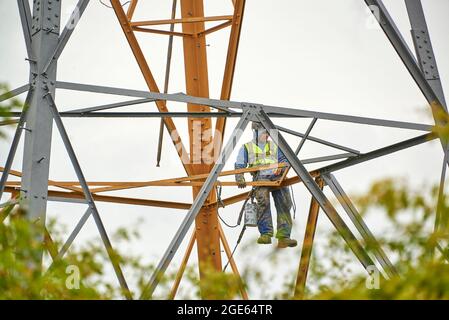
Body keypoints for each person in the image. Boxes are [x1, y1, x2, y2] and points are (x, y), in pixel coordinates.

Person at [234, 122, 297, 248]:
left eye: (268, 133)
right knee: (263, 202)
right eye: (264, 133)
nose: (267, 135)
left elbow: (284, 160)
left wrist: (282, 169)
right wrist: (239, 177)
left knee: (284, 203)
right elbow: (239, 164)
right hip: (260, 178)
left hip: (278, 178)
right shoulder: (247, 147)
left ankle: (284, 236)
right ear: (256, 132)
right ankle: (266, 234)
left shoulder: (274, 146)